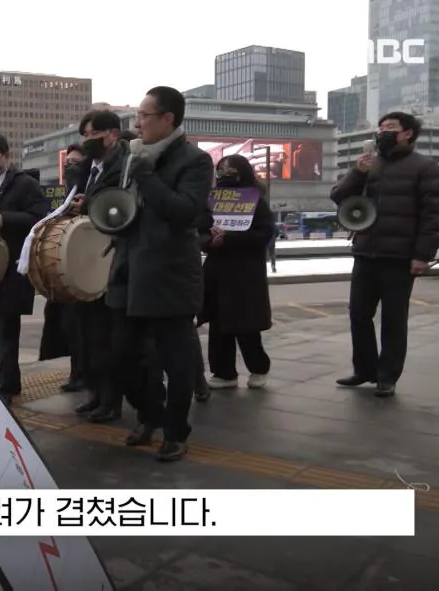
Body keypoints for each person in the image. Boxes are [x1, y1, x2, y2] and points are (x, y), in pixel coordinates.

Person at [104, 87, 212, 461]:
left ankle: (175, 431)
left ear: (168, 119)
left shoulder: (195, 161)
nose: (138, 124)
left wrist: (147, 176)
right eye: (137, 116)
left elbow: (185, 212)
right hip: (128, 269)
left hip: (170, 275)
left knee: (175, 361)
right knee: (121, 356)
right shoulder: (132, 156)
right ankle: (151, 414)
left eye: (144, 116)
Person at [329, 111, 439, 397]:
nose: (383, 131)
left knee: (394, 319)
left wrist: (422, 255)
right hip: (366, 251)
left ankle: (387, 375)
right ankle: (364, 369)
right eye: (380, 127)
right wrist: (357, 172)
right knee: (358, 314)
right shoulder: (371, 164)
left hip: (400, 257)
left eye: (390, 127)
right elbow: (339, 197)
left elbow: (433, 216)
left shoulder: (425, 167)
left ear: (408, 133)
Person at [0, 132, 51, 405]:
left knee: (6, 329)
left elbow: (41, 217)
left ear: (6, 156)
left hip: (10, 267)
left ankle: (5, 385)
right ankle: (10, 379)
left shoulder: (24, 184)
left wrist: (7, 218)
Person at [61, 111, 129, 423]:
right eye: (85, 135)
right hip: (89, 258)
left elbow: (119, 205)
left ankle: (111, 400)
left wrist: (89, 204)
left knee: (106, 337)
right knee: (88, 336)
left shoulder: (124, 166)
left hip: (109, 259)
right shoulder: (90, 169)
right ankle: (96, 394)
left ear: (113, 134)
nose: (88, 141)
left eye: (94, 134)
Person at [200, 153, 275, 392]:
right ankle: (223, 373)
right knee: (218, 325)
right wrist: (209, 242)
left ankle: (259, 368)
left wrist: (230, 240)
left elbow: (265, 234)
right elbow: (200, 231)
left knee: (246, 326)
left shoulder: (256, 200)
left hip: (245, 273)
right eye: (220, 169)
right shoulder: (210, 200)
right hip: (217, 271)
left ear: (242, 172)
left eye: (229, 169)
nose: (223, 173)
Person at [57, 144, 87, 393]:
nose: (70, 166)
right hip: (70, 269)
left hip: (91, 266)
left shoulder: (91, 190)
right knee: (72, 326)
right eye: (68, 163)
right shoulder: (67, 192)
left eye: (76, 162)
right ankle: (78, 372)